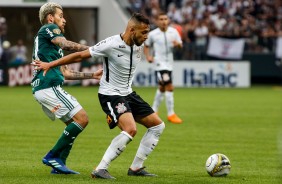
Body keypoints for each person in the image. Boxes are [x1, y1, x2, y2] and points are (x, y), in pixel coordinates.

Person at [32, 12, 165, 179]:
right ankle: (100, 169)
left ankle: (136, 168)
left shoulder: (139, 44)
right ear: (131, 30)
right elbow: (80, 55)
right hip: (110, 95)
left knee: (158, 126)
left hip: (128, 93)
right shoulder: (111, 44)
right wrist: (50, 64)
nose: (147, 36)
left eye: (148, 32)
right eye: (144, 32)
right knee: (130, 129)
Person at [31, 2, 102, 175]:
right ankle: (52, 156)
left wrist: (91, 75)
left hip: (46, 88)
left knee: (73, 123)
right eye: (61, 16)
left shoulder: (52, 47)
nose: (64, 21)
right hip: (48, 86)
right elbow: (65, 44)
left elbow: (66, 72)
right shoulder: (48, 28)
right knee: (82, 119)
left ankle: (59, 164)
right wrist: (96, 49)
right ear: (50, 18)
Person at [144, 12, 183, 124]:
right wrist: (148, 56)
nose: (163, 21)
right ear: (157, 21)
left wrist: (178, 45)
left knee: (162, 87)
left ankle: (154, 111)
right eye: (161, 19)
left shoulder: (173, 32)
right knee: (169, 87)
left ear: (168, 20)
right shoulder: (153, 34)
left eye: (165, 19)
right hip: (159, 64)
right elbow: (146, 45)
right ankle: (171, 114)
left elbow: (180, 45)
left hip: (170, 63)